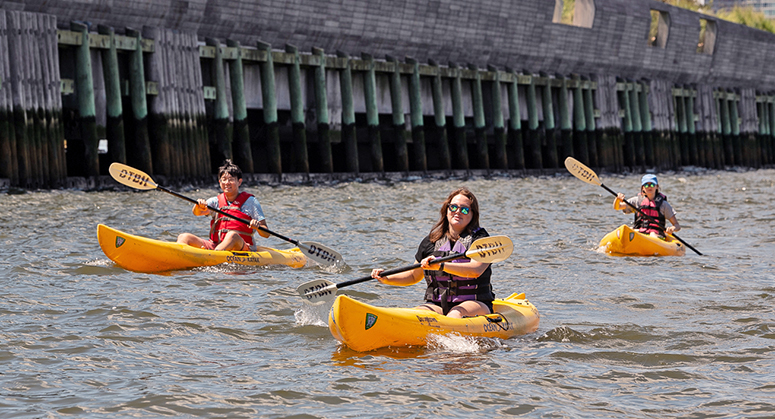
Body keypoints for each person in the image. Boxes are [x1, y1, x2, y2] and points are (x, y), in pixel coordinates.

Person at [370, 187, 495, 318]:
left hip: (474, 303)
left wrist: (440, 266)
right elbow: (413, 276)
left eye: (464, 209)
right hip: (438, 304)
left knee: (456, 312)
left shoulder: (481, 240)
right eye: (453, 207)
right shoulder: (431, 242)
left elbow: (475, 270)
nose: (458, 212)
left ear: (472, 215)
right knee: (419, 313)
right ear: (446, 210)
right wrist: (385, 278)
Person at [176, 160, 269, 251]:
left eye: (231, 179)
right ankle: (180, 255)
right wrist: (198, 206)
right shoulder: (215, 201)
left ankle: (212, 255)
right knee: (184, 237)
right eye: (224, 179)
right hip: (216, 245)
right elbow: (197, 213)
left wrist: (257, 227)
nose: (227, 183)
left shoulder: (251, 202)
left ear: (239, 182)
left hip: (243, 247)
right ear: (220, 182)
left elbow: (266, 233)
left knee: (232, 235)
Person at [613, 174, 681, 239]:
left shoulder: (664, 204)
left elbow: (677, 226)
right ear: (643, 187)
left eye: (652, 184)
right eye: (646, 185)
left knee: (652, 234)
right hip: (639, 231)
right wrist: (617, 199)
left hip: (656, 234)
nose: (649, 187)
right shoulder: (637, 201)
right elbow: (617, 207)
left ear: (656, 186)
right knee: (627, 229)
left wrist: (672, 229)